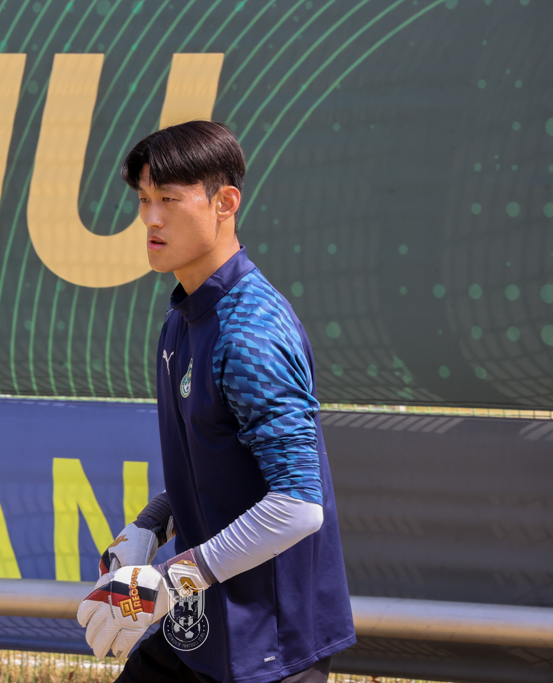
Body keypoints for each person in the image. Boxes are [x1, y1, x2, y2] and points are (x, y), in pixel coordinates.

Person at [76, 120, 355, 683]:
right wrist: (151, 527)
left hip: (271, 647)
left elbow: (297, 506)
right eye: (144, 200)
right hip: (199, 626)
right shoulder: (184, 316)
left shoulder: (250, 332)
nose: (150, 219)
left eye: (169, 200)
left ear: (225, 202)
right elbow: (218, 467)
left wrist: (170, 580)